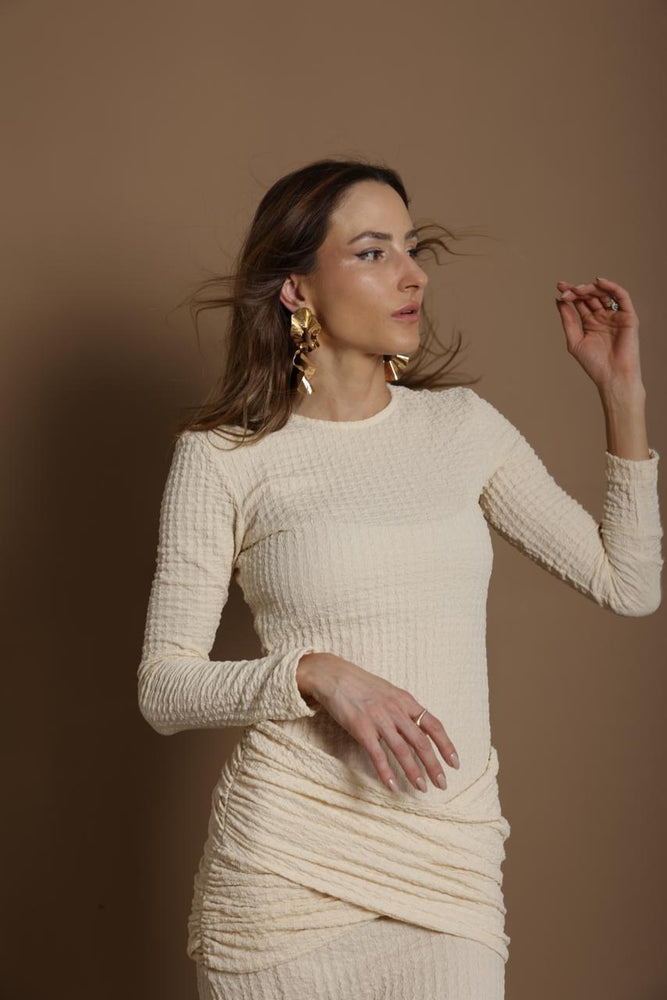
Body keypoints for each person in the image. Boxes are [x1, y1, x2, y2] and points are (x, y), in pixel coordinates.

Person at [137, 158, 663, 1000]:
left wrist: (621, 394)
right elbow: (163, 688)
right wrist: (314, 674)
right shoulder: (224, 457)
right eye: (372, 252)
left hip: (446, 863)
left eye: (412, 248)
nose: (412, 275)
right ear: (297, 289)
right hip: (285, 872)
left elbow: (628, 584)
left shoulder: (459, 427)